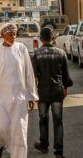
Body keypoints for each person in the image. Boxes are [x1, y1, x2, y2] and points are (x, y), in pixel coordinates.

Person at [0, 23, 38, 158]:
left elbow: (28, 73)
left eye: (14, 34)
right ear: (2, 35)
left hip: (18, 99)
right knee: (0, 129)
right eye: (10, 34)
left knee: (19, 132)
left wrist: (31, 95)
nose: (13, 37)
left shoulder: (21, 49)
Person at [32, 27, 73, 158]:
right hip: (57, 92)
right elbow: (66, 75)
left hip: (42, 93)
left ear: (40, 39)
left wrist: (33, 94)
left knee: (43, 119)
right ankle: (59, 152)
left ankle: (44, 145)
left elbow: (35, 77)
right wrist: (65, 87)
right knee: (58, 121)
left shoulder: (37, 54)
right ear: (53, 38)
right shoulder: (61, 53)